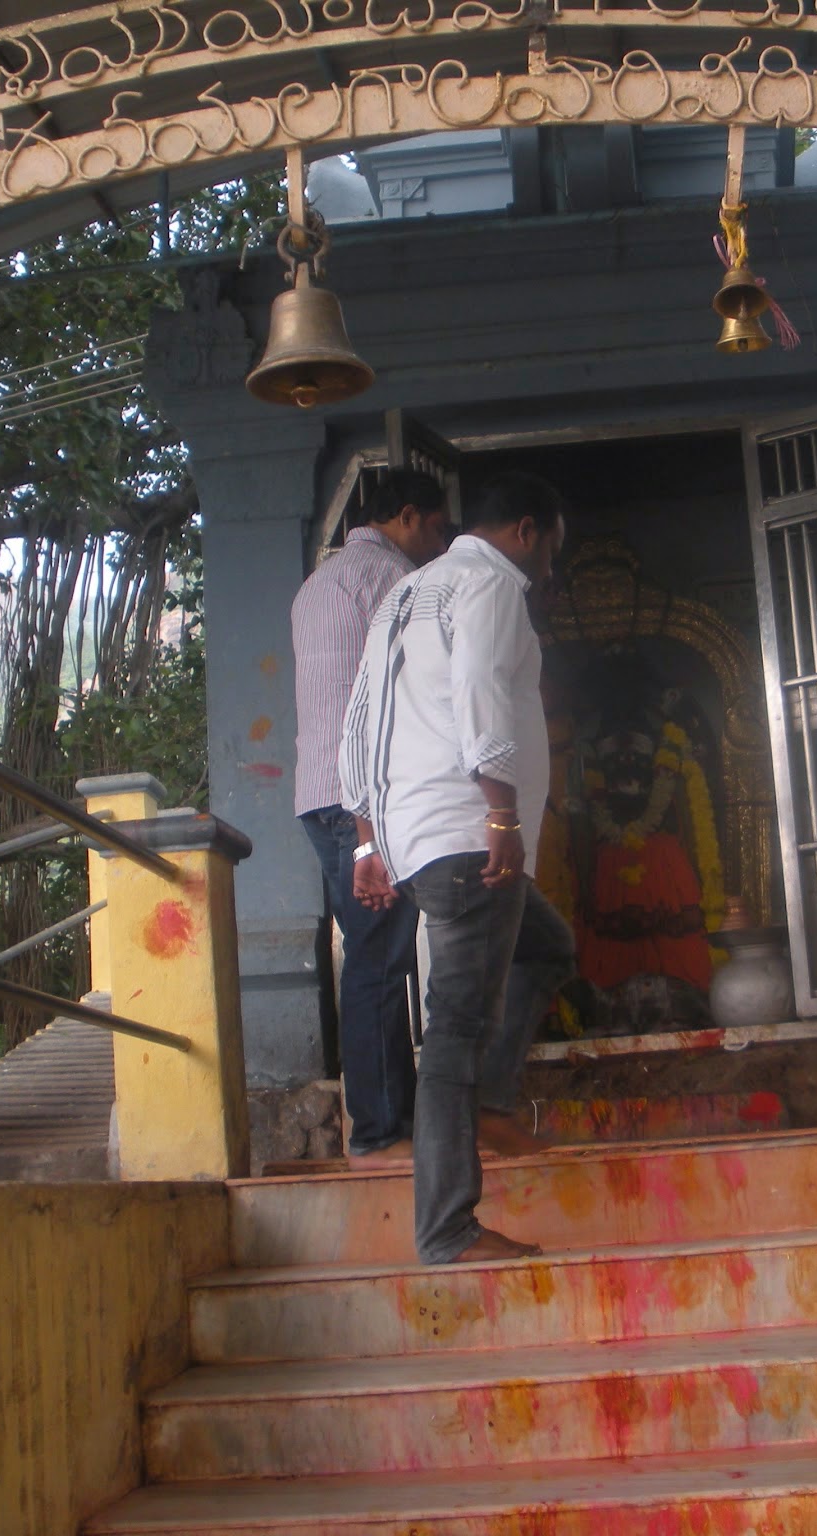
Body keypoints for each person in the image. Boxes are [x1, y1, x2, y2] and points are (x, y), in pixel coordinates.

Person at [339, 472, 574, 1263]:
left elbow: (361, 718)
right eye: (551, 549)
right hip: (467, 833)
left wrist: (369, 840)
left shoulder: (405, 594)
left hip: (416, 835)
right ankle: (447, 1229)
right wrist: (500, 813)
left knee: (547, 947)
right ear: (528, 530)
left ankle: (493, 1106)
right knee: (455, 1030)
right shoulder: (491, 584)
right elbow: (480, 691)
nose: (549, 568)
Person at [291, 468, 450, 1169]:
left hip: (319, 793)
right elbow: (395, 703)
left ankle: (389, 1121)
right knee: (380, 961)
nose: (440, 544)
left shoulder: (319, 583)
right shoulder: (394, 580)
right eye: (437, 528)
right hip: (366, 799)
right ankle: (381, 1133)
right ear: (407, 516)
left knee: (372, 955)